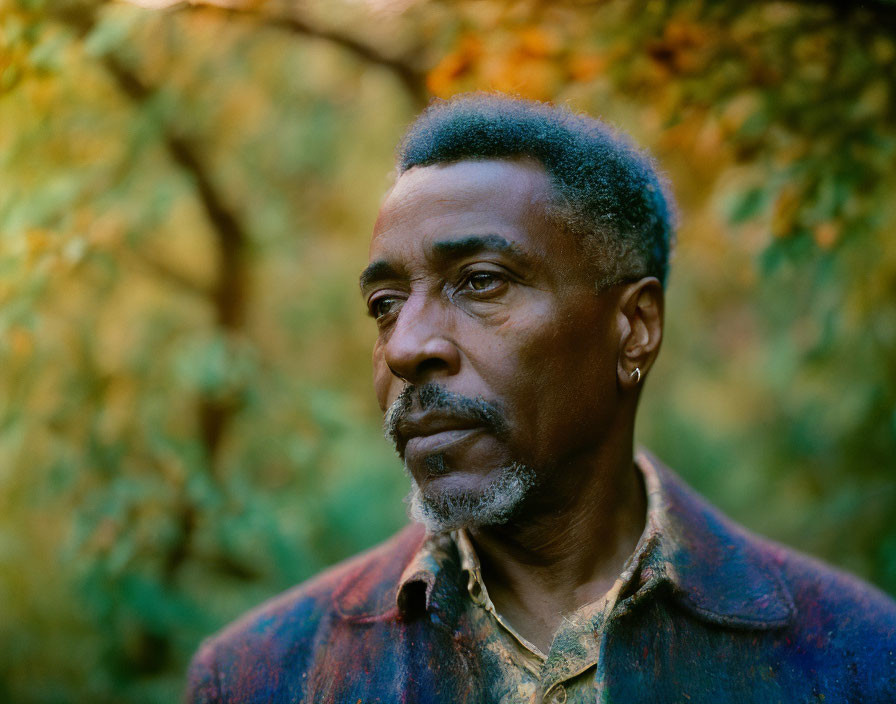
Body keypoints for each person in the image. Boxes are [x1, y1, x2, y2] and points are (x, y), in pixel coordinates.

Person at [186, 94, 896, 704]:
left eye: (482, 281)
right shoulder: (262, 676)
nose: (405, 347)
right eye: (385, 303)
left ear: (634, 329)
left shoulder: (854, 657)